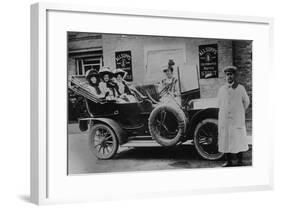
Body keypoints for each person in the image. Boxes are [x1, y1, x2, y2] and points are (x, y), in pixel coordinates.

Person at [217, 66, 250, 167]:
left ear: (234, 75)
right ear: (225, 77)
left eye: (231, 74)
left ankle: (240, 161)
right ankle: (229, 161)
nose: (229, 76)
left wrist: (240, 111)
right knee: (226, 139)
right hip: (225, 119)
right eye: (227, 75)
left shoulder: (240, 88)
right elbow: (219, 103)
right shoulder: (222, 89)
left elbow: (247, 102)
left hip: (237, 119)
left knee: (238, 138)